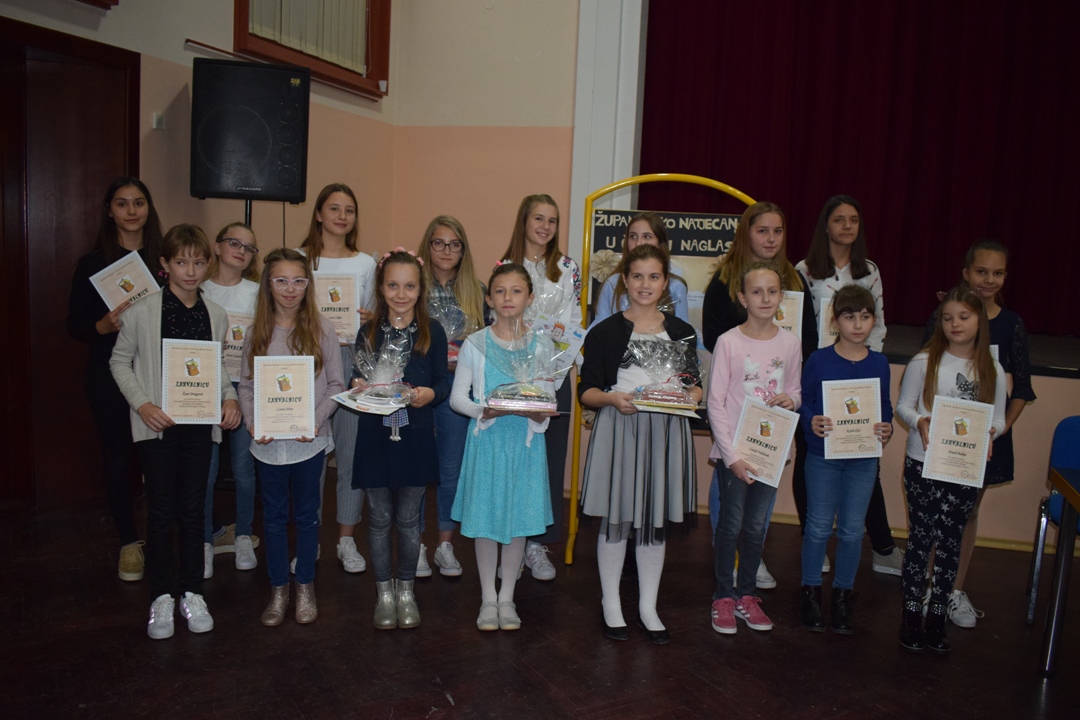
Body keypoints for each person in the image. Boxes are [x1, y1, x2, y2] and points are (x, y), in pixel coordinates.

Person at [109, 224, 241, 639]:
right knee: (162, 510)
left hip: (199, 428)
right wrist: (143, 404)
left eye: (198, 262)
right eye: (181, 262)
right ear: (164, 264)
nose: (190, 271)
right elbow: (119, 362)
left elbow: (216, 369)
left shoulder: (215, 314)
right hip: (159, 428)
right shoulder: (142, 312)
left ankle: (192, 592)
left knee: (193, 509)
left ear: (208, 264)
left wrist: (229, 398)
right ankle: (161, 597)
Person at [579, 244, 701, 645]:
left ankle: (648, 606)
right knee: (617, 518)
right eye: (637, 276)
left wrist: (692, 396)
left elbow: (693, 385)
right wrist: (613, 399)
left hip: (666, 433)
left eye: (654, 276)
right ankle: (611, 602)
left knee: (654, 521)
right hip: (621, 428)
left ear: (665, 282)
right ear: (624, 281)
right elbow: (587, 392)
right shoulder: (605, 332)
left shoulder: (681, 332)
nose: (645, 284)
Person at [701, 201, 817, 589]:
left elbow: (807, 343)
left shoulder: (795, 281)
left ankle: (752, 561)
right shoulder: (724, 280)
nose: (770, 238)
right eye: (762, 230)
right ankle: (727, 563)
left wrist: (793, 397)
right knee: (730, 498)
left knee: (758, 507)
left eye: (777, 231)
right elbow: (713, 338)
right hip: (735, 417)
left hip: (771, 424)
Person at [921, 240, 1034, 629]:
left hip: (985, 442)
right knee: (935, 511)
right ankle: (929, 585)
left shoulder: (1011, 324)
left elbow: (1021, 390)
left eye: (997, 273)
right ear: (966, 273)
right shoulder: (943, 317)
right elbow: (925, 373)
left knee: (966, 513)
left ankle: (953, 591)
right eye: (981, 271)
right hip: (942, 437)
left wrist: (998, 431)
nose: (989, 280)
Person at [796, 195, 903, 577]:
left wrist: (867, 367)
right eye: (839, 219)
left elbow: (880, 322)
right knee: (812, 458)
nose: (846, 226)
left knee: (862, 458)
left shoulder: (868, 270)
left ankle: (880, 547)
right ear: (825, 225)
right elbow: (799, 323)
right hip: (820, 371)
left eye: (853, 220)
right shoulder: (805, 269)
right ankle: (816, 543)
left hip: (860, 377)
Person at [897, 287, 1006, 653]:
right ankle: (912, 614)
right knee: (920, 539)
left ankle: (937, 615)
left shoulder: (992, 368)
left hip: (963, 469)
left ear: (980, 321)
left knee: (950, 543)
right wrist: (920, 421)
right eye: (947, 318)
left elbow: (999, 418)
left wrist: (990, 432)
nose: (955, 324)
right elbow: (903, 406)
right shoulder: (923, 361)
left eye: (964, 317)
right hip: (923, 464)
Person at [67, 177, 165, 582]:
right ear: (109, 211)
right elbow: (74, 325)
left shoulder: (165, 259)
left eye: (138, 202)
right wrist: (102, 327)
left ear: (148, 208)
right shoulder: (92, 264)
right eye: (122, 203)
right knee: (119, 457)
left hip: (158, 373)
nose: (131, 211)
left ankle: (164, 538)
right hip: (109, 373)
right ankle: (128, 542)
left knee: (161, 458)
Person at [239, 248, 344, 626]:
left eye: (299, 281)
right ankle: (278, 587)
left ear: (308, 285)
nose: (290, 289)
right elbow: (247, 386)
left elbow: (336, 385)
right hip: (268, 445)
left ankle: (304, 585)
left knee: (307, 516)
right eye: (281, 280)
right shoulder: (256, 332)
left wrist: (313, 421)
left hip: (308, 442)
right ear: (268, 284)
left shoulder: (322, 329)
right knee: (272, 518)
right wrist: (253, 422)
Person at [451, 263, 556, 631]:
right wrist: (484, 410)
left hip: (525, 447)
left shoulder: (542, 344)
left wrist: (540, 413)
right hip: (489, 444)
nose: (507, 298)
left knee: (517, 521)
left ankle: (508, 597)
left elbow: (548, 398)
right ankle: (487, 598)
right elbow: (457, 398)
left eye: (516, 291)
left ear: (530, 298)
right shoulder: (476, 344)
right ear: (489, 298)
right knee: (485, 522)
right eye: (500, 291)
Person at [353, 248, 449, 629]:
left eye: (409, 286)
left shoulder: (432, 331)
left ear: (420, 289)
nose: (401, 294)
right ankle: (383, 592)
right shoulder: (368, 331)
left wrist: (430, 394)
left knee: (409, 520)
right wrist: (358, 384)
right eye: (393, 285)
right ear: (381, 287)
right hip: (374, 437)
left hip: (416, 437)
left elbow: (442, 382)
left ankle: (406, 590)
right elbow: (355, 379)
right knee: (378, 518)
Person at [707, 263, 802, 635]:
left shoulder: (790, 343)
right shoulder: (729, 342)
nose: (765, 298)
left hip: (770, 453)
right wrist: (732, 456)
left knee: (757, 526)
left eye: (772, 291)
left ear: (781, 297)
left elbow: (795, 390)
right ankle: (723, 596)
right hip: (735, 454)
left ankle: (747, 595)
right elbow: (715, 403)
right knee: (730, 525)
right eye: (757, 292)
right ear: (742, 298)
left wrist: (792, 400)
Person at [798, 285, 894, 634]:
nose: (857, 324)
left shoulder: (880, 363)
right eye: (849, 316)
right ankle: (810, 593)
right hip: (823, 455)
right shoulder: (819, 359)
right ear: (835, 321)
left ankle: (842, 596)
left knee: (853, 530)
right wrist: (811, 420)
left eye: (865, 317)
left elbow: (884, 406)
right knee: (818, 526)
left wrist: (886, 426)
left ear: (874, 321)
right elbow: (805, 401)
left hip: (863, 459)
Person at [499, 194, 582, 580]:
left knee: (550, 460)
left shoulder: (567, 267)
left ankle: (537, 545)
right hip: (512, 375)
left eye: (552, 220)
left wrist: (555, 360)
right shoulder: (505, 266)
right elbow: (498, 319)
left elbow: (573, 321)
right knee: (514, 458)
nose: (546, 226)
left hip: (555, 375)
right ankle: (511, 543)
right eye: (538, 218)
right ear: (524, 221)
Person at [298, 183, 376, 574]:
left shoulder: (366, 263)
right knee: (309, 455)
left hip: (350, 361)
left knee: (350, 454)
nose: (342, 216)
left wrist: (369, 318)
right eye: (334, 208)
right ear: (318, 214)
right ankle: (308, 539)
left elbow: (376, 318)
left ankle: (346, 539)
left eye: (349, 210)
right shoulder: (299, 259)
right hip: (307, 363)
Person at [415, 216, 489, 578]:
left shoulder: (477, 290)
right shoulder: (413, 284)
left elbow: (487, 340)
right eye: (439, 242)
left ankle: (445, 543)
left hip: (459, 386)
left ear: (463, 250)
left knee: (450, 467)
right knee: (415, 467)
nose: (446, 250)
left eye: (455, 244)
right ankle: (415, 544)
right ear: (427, 245)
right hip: (419, 384)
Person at [201, 222, 261, 578]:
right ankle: (206, 541)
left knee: (243, 467)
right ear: (217, 246)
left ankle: (242, 535)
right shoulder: (200, 288)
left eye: (249, 248)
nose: (241, 251)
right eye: (234, 243)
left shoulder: (258, 293)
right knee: (206, 470)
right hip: (206, 387)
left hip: (247, 387)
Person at [591, 211, 690, 324]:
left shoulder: (675, 287)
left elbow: (683, 329)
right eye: (633, 236)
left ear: (660, 242)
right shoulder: (612, 283)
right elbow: (599, 326)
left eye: (647, 236)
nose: (638, 243)